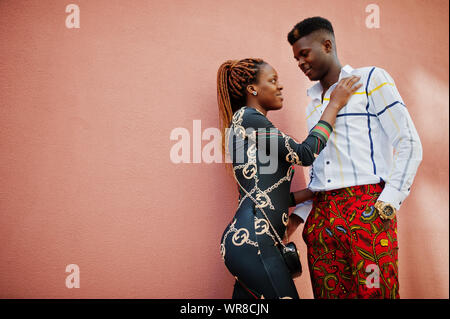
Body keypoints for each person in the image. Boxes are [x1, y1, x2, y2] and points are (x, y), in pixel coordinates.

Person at [286, 17, 423, 299]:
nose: (300, 62)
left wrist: (387, 204)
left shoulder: (371, 79)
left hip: (366, 208)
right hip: (323, 217)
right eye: (296, 58)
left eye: (304, 53)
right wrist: (300, 218)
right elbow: (321, 171)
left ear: (327, 45)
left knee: (377, 294)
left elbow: (408, 141)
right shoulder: (313, 104)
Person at [217, 58, 361, 299]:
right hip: (254, 242)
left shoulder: (250, 124)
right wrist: (334, 104)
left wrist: (311, 193)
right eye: (272, 80)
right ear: (252, 89)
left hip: (250, 242)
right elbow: (304, 154)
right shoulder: (247, 117)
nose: (280, 86)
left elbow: (264, 193)